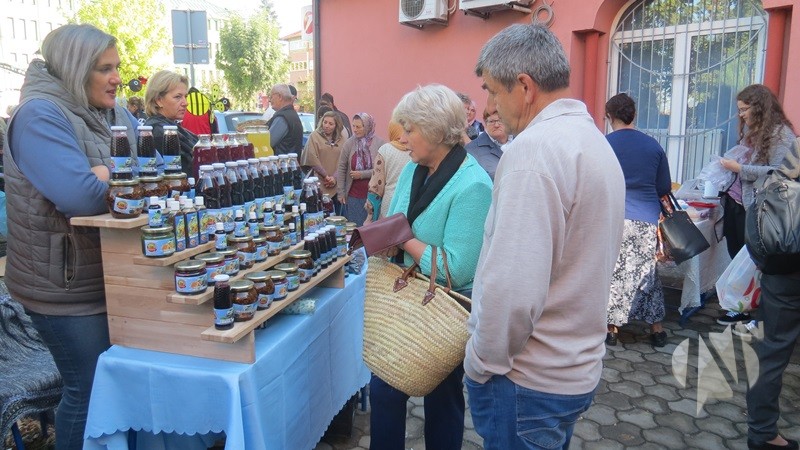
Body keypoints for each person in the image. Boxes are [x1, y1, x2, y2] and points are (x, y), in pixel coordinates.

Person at [464, 24, 625, 450]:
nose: (489, 106)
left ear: (524, 86)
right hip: (572, 370)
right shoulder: (592, 139)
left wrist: (480, 363)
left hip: (526, 380)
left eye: (491, 91)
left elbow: (513, 289)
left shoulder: (533, 152)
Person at [3, 24, 138, 450]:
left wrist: (103, 173)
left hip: (109, 275)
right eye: (105, 69)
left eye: (117, 67)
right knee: (90, 387)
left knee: (117, 385)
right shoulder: (39, 116)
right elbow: (80, 197)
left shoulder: (110, 113)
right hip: (63, 287)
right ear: (77, 68)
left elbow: (155, 167)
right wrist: (113, 175)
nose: (117, 78)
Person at [369, 84, 492, 450]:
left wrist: (403, 238)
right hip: (404, 299)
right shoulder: (413, 168)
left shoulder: (474, 184)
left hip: (443, 312)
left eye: (410, 129)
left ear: (436, 130)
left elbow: (458, 268)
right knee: (384, 391)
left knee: (443, 400)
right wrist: (377, 237)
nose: (403, 138)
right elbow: (397, 220)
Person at [716, 84, 795, 333]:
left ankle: (753, 312)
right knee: (737, 254)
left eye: (744, 109)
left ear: (759, 108)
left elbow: (780, 173)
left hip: (761, 210)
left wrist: (740, 168)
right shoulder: (754, 131)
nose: (741, 115)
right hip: (738, 202)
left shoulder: (781, 135)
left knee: (757, 263)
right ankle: (742, 306)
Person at [603, 93, 672, 348]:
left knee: (614, 272)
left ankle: (611, 329)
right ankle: (657, 330)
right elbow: (664, 186)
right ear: (635, 115)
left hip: (613, 217)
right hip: (645, 219)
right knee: (648, 273)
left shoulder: (604, 144)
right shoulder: (653, 145)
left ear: (609, 116)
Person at [745, 139, 800, 450]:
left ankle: (763, 433)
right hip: (787, 268)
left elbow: (772, 190)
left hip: (786, 263)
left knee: (770, 353)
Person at [336, 112, 386, 226]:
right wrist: (341, 192)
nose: (355, 130)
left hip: (373, 196)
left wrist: (362, 174)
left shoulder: (380, 144)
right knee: (355, 229)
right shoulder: (349, 143)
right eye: (353, 126)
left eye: (358, 127)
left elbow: (381, 170)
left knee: (371, 229)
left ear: (367, 126)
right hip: (354, 196)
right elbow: (342, 168)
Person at [144, 70, 197, 175]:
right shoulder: (159, 132)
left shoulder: (170, 126)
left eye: (185, 97)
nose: (185, 103)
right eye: (178, 97)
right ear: (158, 100)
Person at [364, 120, 412, 222]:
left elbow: (376, 185)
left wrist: (370, 214)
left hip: (389, 205)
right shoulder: (415, 151)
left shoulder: (385, 150)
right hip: (409, 203)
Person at [302, 110, 346, 214]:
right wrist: (326, 176)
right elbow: (311, 157)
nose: (326, 126)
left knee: (337, 214)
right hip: (319, 181)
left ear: (336, 125)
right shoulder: (314, 136)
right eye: (325, 122)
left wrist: (334, 178)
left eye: (331, 124)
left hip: (336, 183)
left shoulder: (342, 139)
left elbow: (344, 160)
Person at [464, 105, 509, 180]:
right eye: (491, 121)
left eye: (500, 120)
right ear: (485, 123)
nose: (496, 125)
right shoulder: (471, 150)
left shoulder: (520, 141)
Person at [267, 84, 303, 156]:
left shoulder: (282, 118)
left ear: (280, 97)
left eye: (271, 97)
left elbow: (267, 143)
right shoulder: (291, 114)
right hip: (290, 161)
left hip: (282, 161)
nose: (269, 100)